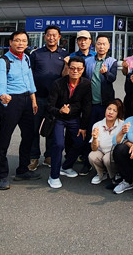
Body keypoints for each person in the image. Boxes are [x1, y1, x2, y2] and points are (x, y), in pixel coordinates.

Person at [0, 30, 39, 190]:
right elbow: (0, 83)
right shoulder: (3, 61)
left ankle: (23, 170)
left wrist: (33, 99)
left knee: (28, 136)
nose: (21, 43)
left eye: (24, 41)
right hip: (11, 101)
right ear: (10, 42)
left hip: (26, 100)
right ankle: (2, 175)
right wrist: (2, 96)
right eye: (17, 40)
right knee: (4, 138)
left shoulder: (26, 57)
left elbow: (29, 78)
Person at [45, 57, 92, 188]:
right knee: (59, 144)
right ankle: (53, 176)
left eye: (79, 69)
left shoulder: (86, 84)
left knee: (80, 142)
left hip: (74, 118)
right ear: (68, 68)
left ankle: (66, 166)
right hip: (58, 118)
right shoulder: (58, 83)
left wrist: (83, 126)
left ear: (83, 70)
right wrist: (60, 110)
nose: (75, 71)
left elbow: (87, 106)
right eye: (72, 68)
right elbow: (49, 106)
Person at [28, 25, 68, 171]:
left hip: (55, 100)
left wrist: (67, 64)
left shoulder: (64, 54)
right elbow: (29, 75)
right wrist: (32, 97)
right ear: (45, 36)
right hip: (38, 97)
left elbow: (66, 76)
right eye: (49, 35)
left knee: (52, 128)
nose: (51, 37)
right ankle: (33, 157)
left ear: (59, 37)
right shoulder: (36, 54)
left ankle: (49, 156)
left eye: (54, 35)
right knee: (33, 129)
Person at [86, 35, 119, 133]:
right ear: (95, 45)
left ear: (109, 46)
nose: (101, 47)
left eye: (104, 44)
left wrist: (106, 73)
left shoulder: (112, 62)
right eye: (99, 44)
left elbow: (112, 79)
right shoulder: (88, 61)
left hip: (105, 103)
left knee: (104, 130)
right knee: (90, 129)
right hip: (90, 103)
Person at [89, 98, 124, 186]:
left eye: (114, 111)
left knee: (107, 159)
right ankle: (101, 173)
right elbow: (94, 148)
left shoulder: (122, 125)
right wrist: (95, 138)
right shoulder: (97, 125)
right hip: (102, 151)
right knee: (92, 156)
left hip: (113, 153)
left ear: (118, 113)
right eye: (109, 109)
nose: (110, 112)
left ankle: (115, 175)